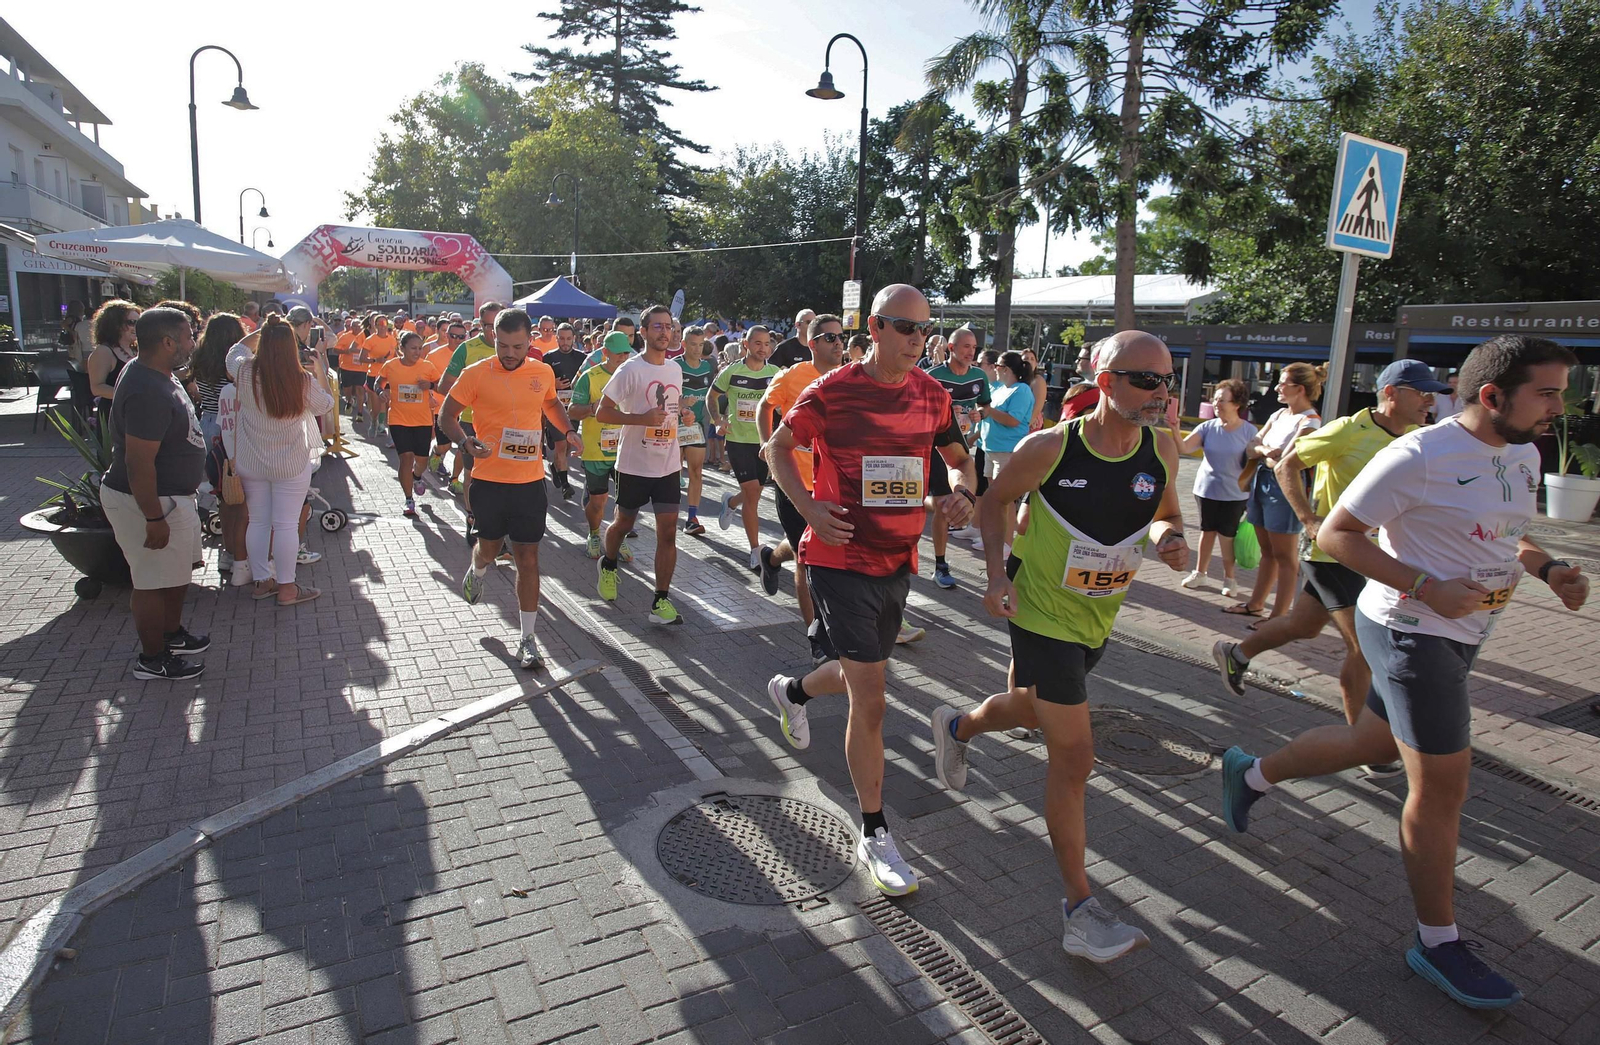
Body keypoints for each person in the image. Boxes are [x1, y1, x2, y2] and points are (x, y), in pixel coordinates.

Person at [1220, 334, 1588, 1010]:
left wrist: (1548, 568)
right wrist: (1424, 585)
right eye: (1548, 391)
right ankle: (1437, 939)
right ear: (1492, 395)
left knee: (1371, 743)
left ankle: (1248, 772)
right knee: (1442, 784)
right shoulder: (1420, 454)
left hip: (1466, 629)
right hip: (1410, 630)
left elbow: (1508, 533)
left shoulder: (1526, 453)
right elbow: (1337, 534)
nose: (1558, 407)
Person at [932, 330, 1188, 960]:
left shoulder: (1164, 449)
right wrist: (994, 575)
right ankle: (1080, 909)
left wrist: (1169, 537)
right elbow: (994, 504)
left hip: (1097, 616)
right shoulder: (1049, 447)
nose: (1162, 393)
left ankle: (959, 726)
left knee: (1029, 705)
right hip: (1040, 608)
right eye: (1146, 380)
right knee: (1074, 755)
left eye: (1168, 380)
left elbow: (1166, 511)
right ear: (1106, 383)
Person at [763, 285, 978, 896]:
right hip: (839, 558)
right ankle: (876, 831)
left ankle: (793, 690)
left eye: (924, 330)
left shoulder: (933, 395)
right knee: (874, 699)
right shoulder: (832, 390)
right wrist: (808, 510)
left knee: (866, 672)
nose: (918, 340)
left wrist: (964, 490)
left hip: (896, 558)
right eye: (905, 328)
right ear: (875, 329)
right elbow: (779, 449)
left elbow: (961, 460)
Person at [1215, 360, 1444, 763]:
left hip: (1377, 557)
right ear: (1390, 394)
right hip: (1332, 553)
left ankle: (1236, 653)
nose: (1430, 399)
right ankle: (1367, 747)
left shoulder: (1419, 438)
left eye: (1432, 391)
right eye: (1421, 391)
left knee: (1303, 626)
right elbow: (1286, 465)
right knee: (1364, 646)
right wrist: (1309, 519)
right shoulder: (1346, 430)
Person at [440, 309, 579, 670]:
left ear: (530, 341)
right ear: (494, 339)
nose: (510, 353)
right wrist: (464, 441)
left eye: (517, 346)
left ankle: (528, 639)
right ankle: (479, 569)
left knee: (528, 559)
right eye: (503, 345)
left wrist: (567, 431)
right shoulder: (476, 374)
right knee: (488, 550)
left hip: (529, 482)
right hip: (489, 481)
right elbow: (446, 415)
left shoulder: (541, 371)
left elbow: (550, 402)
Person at [99, 307, 210, 680]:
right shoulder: (148, 390)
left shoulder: (157, 372)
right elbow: (138, 463)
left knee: (175, 575)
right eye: (188, 337)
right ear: (166, 342)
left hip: (172, 497)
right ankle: (153, 658)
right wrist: (152, 517)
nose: (192, 343)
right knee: (150, 581)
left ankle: (171, 634)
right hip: (149, 502)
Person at [595, 306, 696, 624]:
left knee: (668, 533)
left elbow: (670, 405)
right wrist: (639, 419)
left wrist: (683, 414)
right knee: (623, 524)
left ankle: (660, 602)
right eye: (657, 327)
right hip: (634, 464)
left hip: (667, 464)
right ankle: (608, 563)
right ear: (643, 332)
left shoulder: (675, 370)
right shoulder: (630, 370)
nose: (665, 332)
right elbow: (602, 412)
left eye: (668, 327)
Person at [756, 313, 846, 663]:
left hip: (833, 481)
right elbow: (765, 405)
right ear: (812, 344)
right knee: (807, 560)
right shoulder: (792, 376)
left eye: (841, 337)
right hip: (795, 479)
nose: (838, 343)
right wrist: (767, 444)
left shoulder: (849, 376)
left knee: (808, 545)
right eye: (830, 338)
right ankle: (817, 639)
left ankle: (770, 557)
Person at [233, 316, 334, 606]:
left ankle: (262, 581)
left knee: (258, 521)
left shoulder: (244, 371)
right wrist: (319, 370)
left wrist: (263, 330)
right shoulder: (302, 380)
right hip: (290, 463)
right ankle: (288, 588)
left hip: (252, 461)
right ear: (292, 347)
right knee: (287, 525)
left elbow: (234, 351)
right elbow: (326, 404)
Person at [1226, 362, 1324, 623]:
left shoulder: (1310, 421)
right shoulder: (1279, 415)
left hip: (1285, 488)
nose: (1277, 387)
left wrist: (1264, 451)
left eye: (1283, 383)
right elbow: (1253, 447)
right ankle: (1256, 604)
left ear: (1299, 389)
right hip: (1262, 482)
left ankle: (1279, 616)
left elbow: (1284, 463)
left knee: (1285, 555)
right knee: (1267, 550)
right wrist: (1264, 452)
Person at [1175, 379, 1257, 596]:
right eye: (1215, 399)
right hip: (1206, 490)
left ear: (1236, 403)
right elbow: (1184, 447)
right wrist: (1175, 428)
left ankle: (1230, 579)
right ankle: (1199, 573)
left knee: (1227, 536)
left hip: (1235, 493)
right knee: (1207, 532)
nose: (1217, 403)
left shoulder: (1249, 431)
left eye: (1222, 400)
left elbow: (1256, 460)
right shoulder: (1207, 427)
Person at [925, 327, 992, 585]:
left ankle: (941, 565)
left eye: (974, 347)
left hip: (960, 447)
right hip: (932, 446)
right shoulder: (932, 376)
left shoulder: (979, 376)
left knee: (946, 503)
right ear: (951, 348)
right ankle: (938, 563)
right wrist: (942, 412)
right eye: (965, 346)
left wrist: (979, 415)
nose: (970, 352)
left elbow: (985, 406)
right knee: (942, 503)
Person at [710, 326, 780, 569]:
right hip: (738, 441)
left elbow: (785, 403)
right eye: (757, 343)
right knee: (752, 493)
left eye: (766, 343)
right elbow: (712, 396)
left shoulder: (776, 373)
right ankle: (755, 549)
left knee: (754, 493)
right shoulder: (732, 371)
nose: (762, 348)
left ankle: (730, 503)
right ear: (746, 345)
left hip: (763, 442)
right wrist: (718, 420)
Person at [191, 313, 250, 585]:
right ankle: (239, 553)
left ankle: (227, 552)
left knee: (224, 494)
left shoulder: (200, 358)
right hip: (234, 426)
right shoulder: (235, 364)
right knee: (240, 497)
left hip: (208, 423)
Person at [569, 332, 635, 560]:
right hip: (596, 450)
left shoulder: (634, 375)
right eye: (619, 354)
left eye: (627, 352)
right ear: (605, 353)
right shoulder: (590, 377)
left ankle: (618, 538)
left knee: (627, 502)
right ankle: (595, 534)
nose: (624, 357)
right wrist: (591, 408)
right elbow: (572, 410)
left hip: (625, 450)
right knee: (598, 501)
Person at [437, 301, 503, 509]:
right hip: (470, 421)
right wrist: (473, 394)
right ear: (479, 324)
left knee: (501, 475)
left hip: (504, 421)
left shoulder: (514, 348)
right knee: (472, 471)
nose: (492, 331)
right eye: (486, 325)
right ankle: (471, 516)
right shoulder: (467, 348)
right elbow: (443, 385)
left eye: (496, 324)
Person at [974, 350, 1036, 555]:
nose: (994, 370)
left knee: (1005, 500)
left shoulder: (1022, 390)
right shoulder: (1001, 389)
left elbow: (1013, 420)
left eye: (997, 366)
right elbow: (989, 411)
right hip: (992, 449)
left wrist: (989, 412)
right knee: (994, 498)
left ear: (1005, 369)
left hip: (1008, 451)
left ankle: (1007, 544)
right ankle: (996, 539)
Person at [378, 332, 443, 517]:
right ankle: (408, 499)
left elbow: (442, 386)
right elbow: (378, 381)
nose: (417, 352)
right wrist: (380, 391)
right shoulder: (391, 366)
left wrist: (430, 386)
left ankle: (417, 477)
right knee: (406, 458)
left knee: (421, 460)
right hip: (398, 419)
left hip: (422, 421)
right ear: (402, 348)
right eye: (413, 348)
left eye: (420, 348)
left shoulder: (427, 366)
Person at [678, 324, 717, 535]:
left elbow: (713, 395)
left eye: (700, 345)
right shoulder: (674, 365)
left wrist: (716, 419)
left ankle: (692, 517)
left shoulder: (708, 366)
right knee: (672, 473)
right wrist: (681, 404)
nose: (697, 349)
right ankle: (667, 513)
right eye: (693, 345)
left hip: (698, 427)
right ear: (684, 344)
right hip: (675, 427)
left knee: (696, 471)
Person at [543, 322, 585, 500]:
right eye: (561, 338)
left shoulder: (582, 358)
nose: (565, 342)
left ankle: (556, 468)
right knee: (560, 446)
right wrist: (554, 385)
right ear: (556, 338)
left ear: (574, 338)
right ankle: (566, 485)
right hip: (555, 409)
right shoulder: (548, 358)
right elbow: (540, 384)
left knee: (568, 446)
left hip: (574, 410)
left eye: (568, 338)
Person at [86, 300, 141, 430]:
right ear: (114, 324)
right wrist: (132, 396)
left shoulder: (138, 349)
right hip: (115, 416)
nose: (136, 327)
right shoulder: (103, 352)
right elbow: (97, 388)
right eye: (131, 323)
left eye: (139, 322)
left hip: (137, 414)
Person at [425, 321, 465, 481]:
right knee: (445, 445)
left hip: (466, 409)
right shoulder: (434, 355)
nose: (457, 339)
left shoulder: (468, 353)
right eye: (453, 336)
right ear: (446, 335)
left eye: (461, 336)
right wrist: (429, 396)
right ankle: (436, 453)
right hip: (441, 407)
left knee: (463, 446)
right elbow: (424, 378)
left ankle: (455, 478)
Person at [360, 315, 400, 438]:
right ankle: (374, 421)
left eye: (384, 324)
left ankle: (384, 427)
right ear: (375, 325)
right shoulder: (370, 340)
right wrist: (376, 360)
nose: (382, 327)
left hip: (388, 376)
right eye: (379, 324)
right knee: (376, 406)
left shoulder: (392, 339)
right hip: (373, 375)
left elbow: (396, 354)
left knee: (387, 402)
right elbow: (362, 358)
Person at [1060, 341, 1103, 421]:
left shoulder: (1104, 394)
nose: (1076, 361)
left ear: (1093, 360)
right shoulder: (1078, 389)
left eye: (1080, 359)